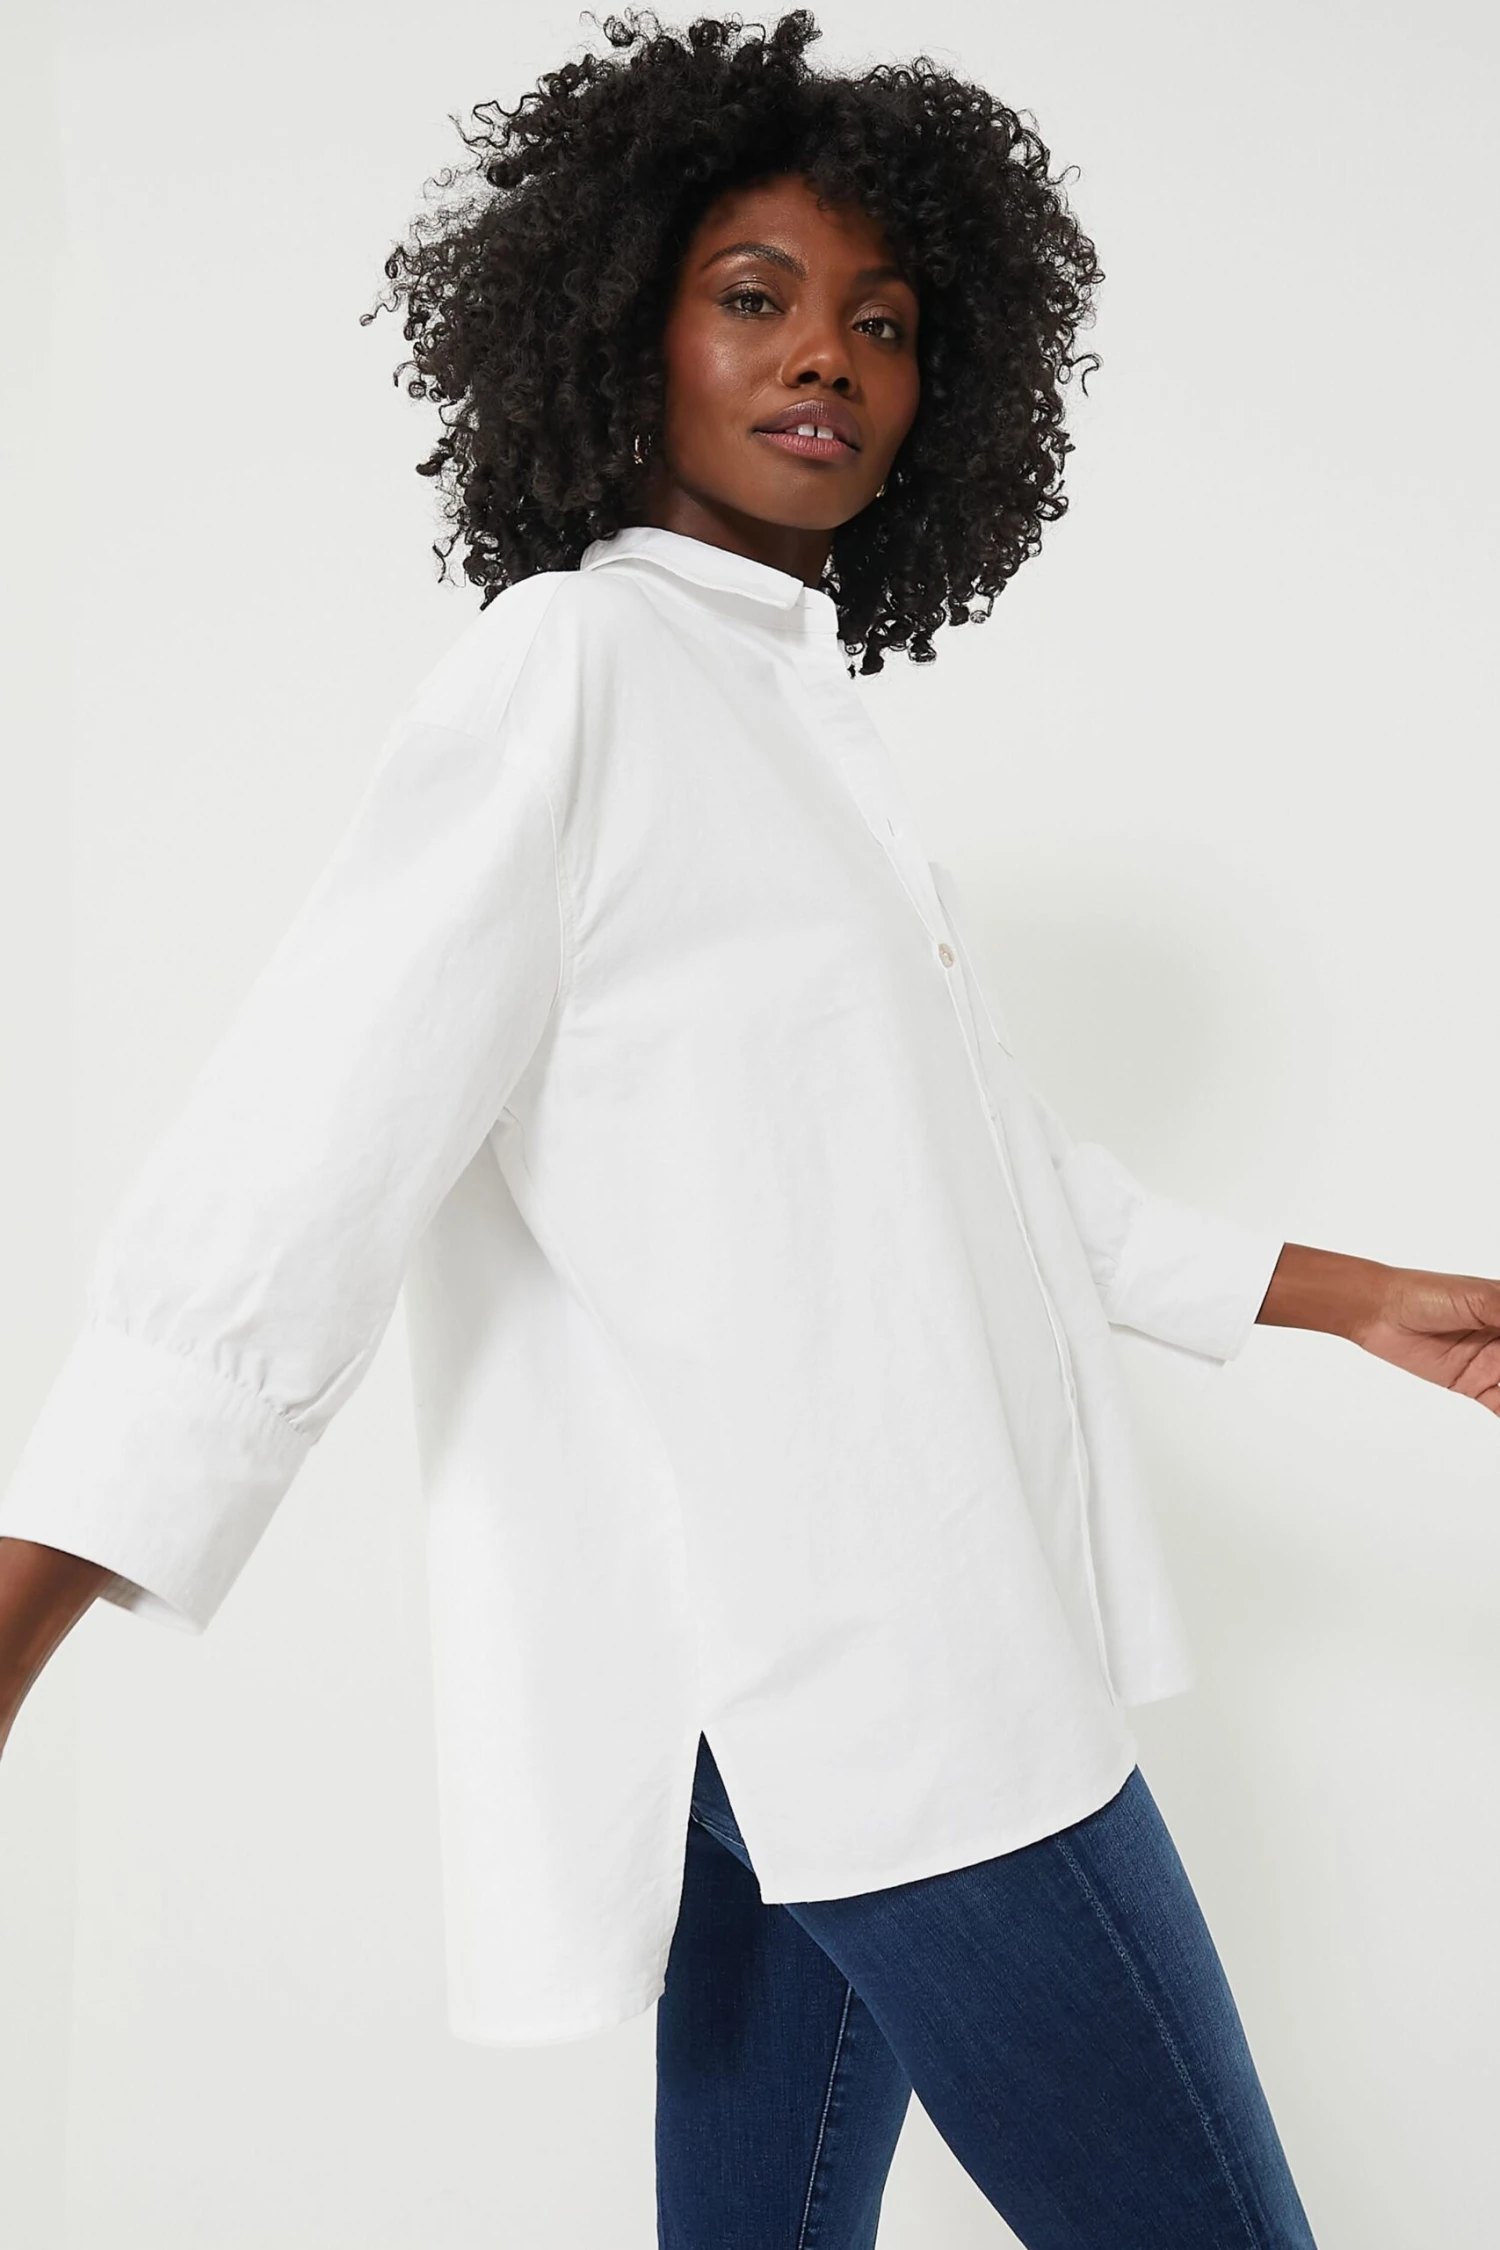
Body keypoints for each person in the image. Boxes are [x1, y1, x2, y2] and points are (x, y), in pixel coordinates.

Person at [3, 11, 1498, 2245]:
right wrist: (20, 1621)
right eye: (755, 295)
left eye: (881, 323)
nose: (825, 356)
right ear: (625, 333)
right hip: (899, 1674)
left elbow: (992, 1174)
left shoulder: (794, 728)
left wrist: (1368, 1300)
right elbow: (297, 1161)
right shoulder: (575, 670)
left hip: (785, 1688)